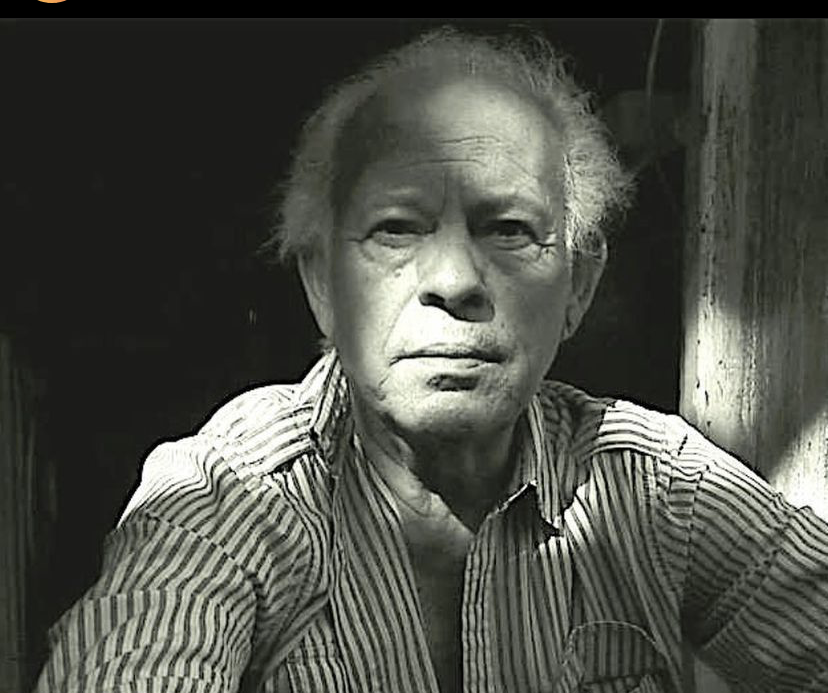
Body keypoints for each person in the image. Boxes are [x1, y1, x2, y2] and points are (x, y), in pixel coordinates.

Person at [35, 27, 828, 693]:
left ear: (580, 285)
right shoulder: (231, 498)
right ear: (321, 284)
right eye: (396, 228)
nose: (453, 280)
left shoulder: (650, 487)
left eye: (509, 229)